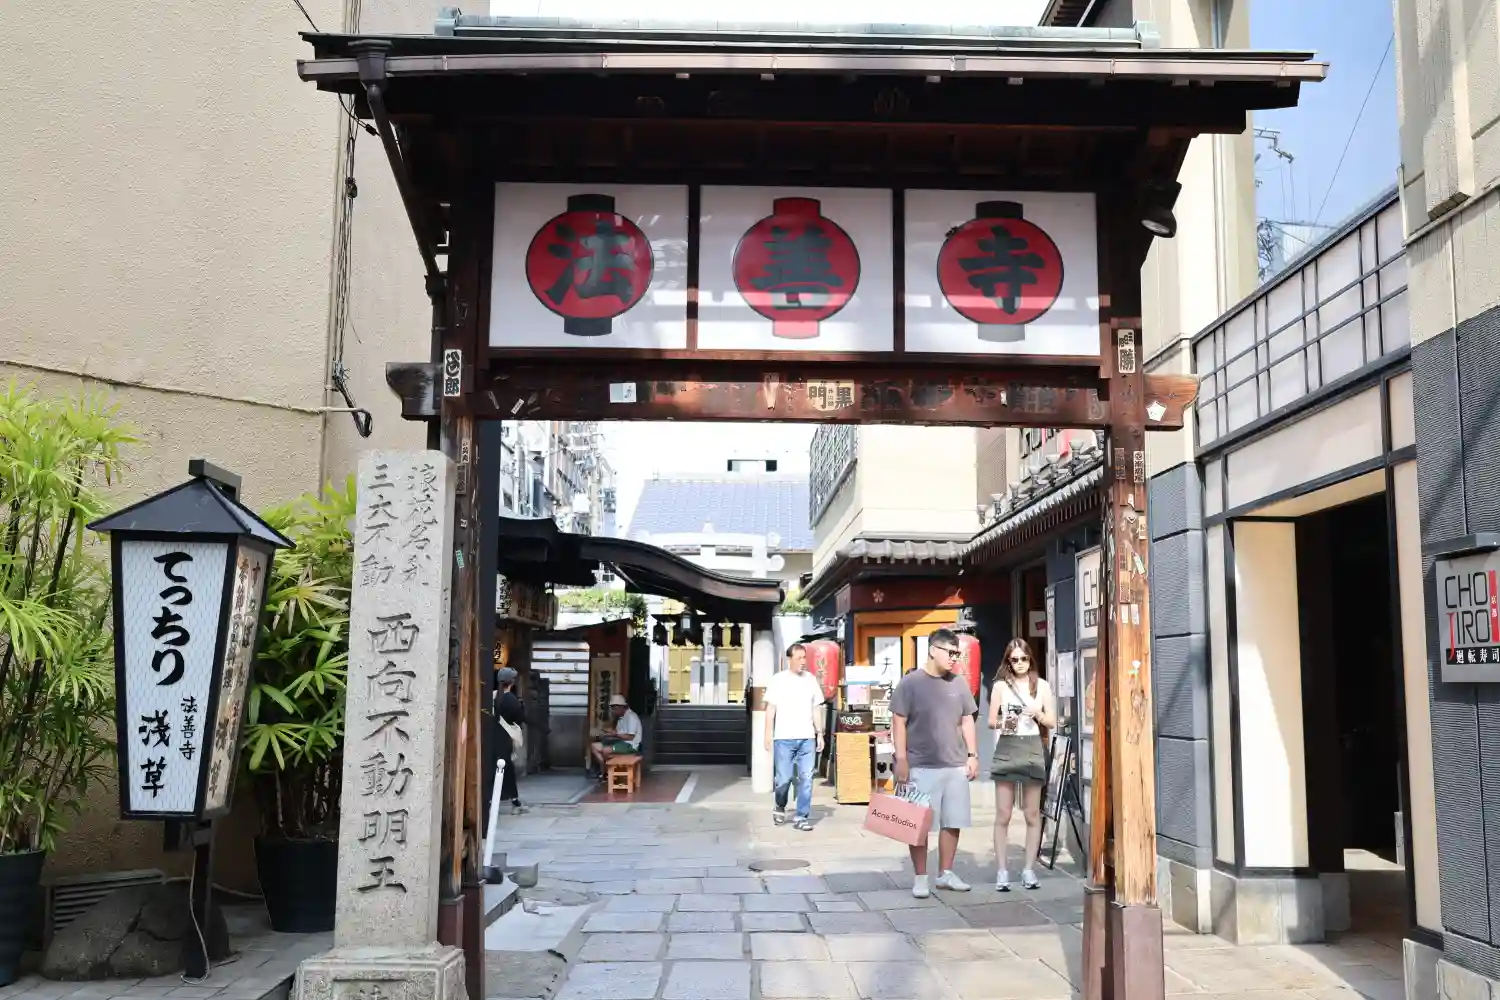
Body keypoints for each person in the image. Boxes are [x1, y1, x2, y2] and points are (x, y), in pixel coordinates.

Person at [890, 627, 979, 898]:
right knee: (917, 823)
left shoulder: (959, 683)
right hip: (920, 764)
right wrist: (901, 758)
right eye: (950, 652)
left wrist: (973, 755)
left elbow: (967, 719)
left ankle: (946, 873)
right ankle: (920, 877)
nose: (954, 658)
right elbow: (898, 721)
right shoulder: (910, 683)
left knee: (953, 821)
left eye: (957, 654)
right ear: (932, 650)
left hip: (955, 764)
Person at [987, 637, 1057, 891]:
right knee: (1003, 813)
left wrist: (1036, 714)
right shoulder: (1000, 686)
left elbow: (1052, 721)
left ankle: (1028, 870)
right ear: (1008, 660)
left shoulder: (1042, 686)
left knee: (1031, 813)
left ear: (1030, 659)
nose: (1020, 663)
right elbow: (991, 721)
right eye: (1014, 659)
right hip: (1008, 745)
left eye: (1024, 658)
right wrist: (1007, 721)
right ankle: (1002, 871)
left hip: (1031, 746)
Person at [764, 642, 825, 831]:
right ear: (789, 659)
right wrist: (767, 734)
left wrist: (820, 733)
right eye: (799, 658)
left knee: (806, 779)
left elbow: (816, 709)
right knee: (784, 779)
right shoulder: (777, 680)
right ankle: (779, 805)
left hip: (807, 738)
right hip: (784, 738)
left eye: (804, 657)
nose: (803, 662)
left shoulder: (811, 680)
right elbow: (770, 710)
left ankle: (801, 817)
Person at [494, 667, 528, 815]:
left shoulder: (493, 696)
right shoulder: (512, 700)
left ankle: (494, 800)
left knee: (494, 769)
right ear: (512, 682)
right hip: (505, 738)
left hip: (493, 737)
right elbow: (519, 718)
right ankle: (515, 802)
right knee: (507, 771)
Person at [589, 694, 642, 778]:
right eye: (612, 709)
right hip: (621, 743)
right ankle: (605, 770)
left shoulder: (631, 717)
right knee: (594, 746)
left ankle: (606, 773)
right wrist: (607, 732)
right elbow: (618, 733)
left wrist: (615, 734)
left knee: (605, 750)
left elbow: (630, 737)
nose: (613, 711)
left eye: (614, 709)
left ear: (620, 707)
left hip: (630, 745)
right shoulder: (621, 718)